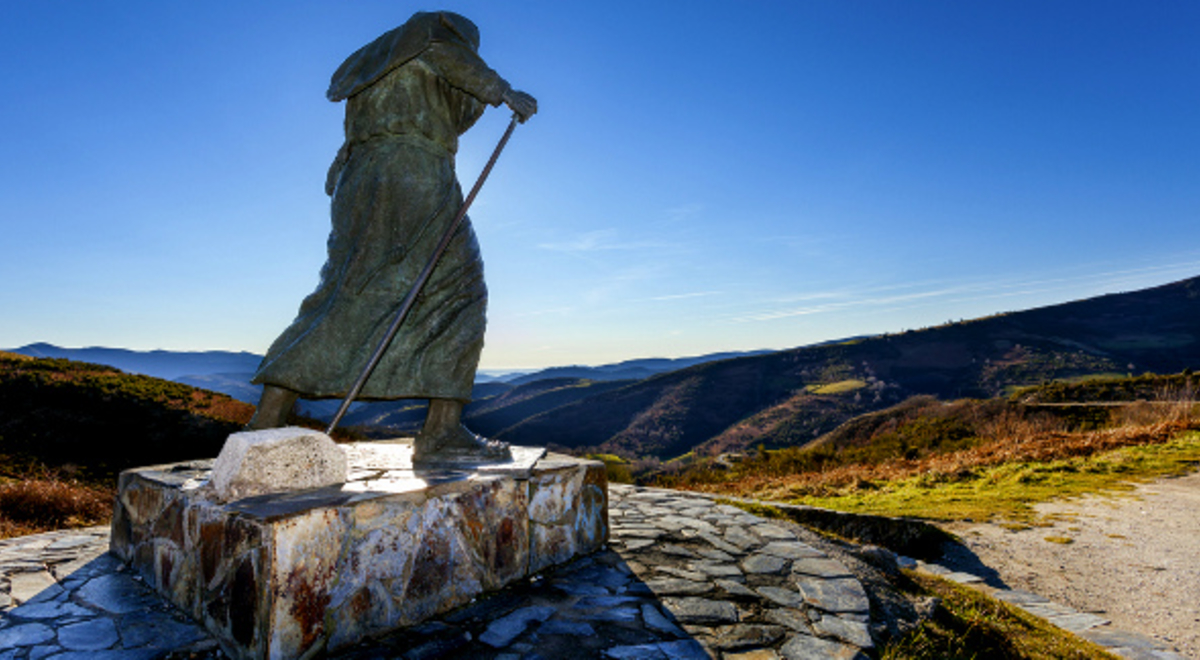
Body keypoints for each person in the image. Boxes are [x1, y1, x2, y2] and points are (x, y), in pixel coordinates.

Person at [246, 11, 536, 460]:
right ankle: (441, 431)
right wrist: (503, 91)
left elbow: (448, 111)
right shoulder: (434, 41)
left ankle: (267, 417)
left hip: (361, 179)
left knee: (347, 290)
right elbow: (456, 66)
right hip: (414, 173)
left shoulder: (380, 65)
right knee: (460, 290)